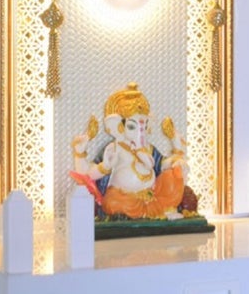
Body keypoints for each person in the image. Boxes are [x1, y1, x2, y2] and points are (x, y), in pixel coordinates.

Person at [70, 82, 188, 219]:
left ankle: (162, 210)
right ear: (118, 126)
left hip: (151, 196)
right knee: (112, 203)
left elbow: (161, 165)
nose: (139, 133)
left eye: (143, 127)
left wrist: (177, 159)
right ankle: (156, 212)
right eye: (132, 127)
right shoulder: (115, 148)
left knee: (173, 176)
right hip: (125, 200)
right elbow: (86, 175)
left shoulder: (147, 148)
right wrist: (81, 154)